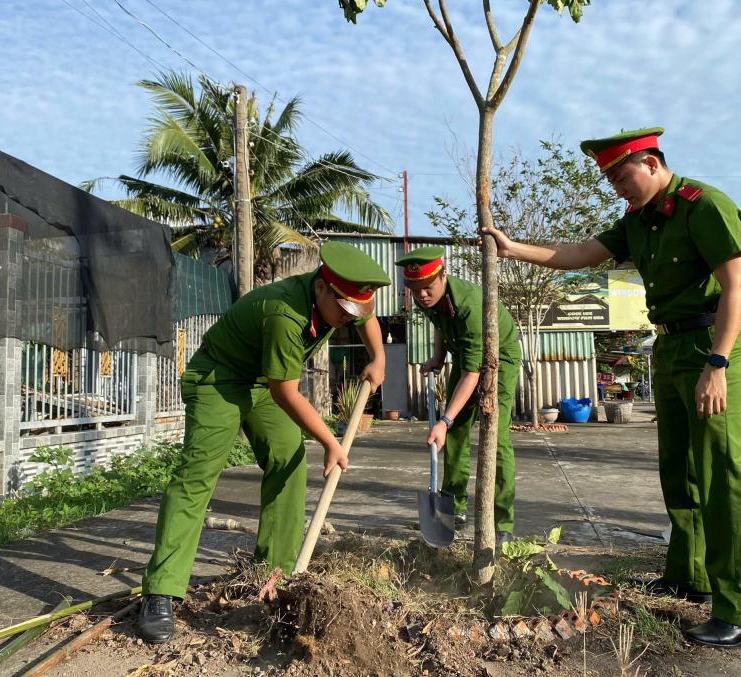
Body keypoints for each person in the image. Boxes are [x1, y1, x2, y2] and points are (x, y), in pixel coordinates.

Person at [481, 128, 741, 648]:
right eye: (610, 179)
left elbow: (737, 286)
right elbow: (577, 253)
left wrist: (718, 363)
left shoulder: (704, 205)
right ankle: (689, 576)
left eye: (622, 174)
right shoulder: (638, 220)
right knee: (679, 470)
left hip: (709, 345)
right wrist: (512, 248)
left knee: (722, 476)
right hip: (670, 347)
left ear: (652, 163)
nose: (617, 186)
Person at [138, 242, 391, 643]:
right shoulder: (285, 314)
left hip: (260, 380)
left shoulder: (337, 299)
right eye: (344, 310)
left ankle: (275, 572)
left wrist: (378, 356)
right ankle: (160, 591)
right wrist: (331, 441)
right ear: (321, 287)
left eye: (353, 311)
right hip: (220, 379)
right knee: (197, 475)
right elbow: (286, 392)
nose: (348, 318)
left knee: (288, 457)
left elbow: (366, 317)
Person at [395, 246, 521, 553]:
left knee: (495, 436)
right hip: (467, 357)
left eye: (427, 287)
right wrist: (439, 357)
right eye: (415, 289)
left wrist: (444, 420)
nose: (422, 295)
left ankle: (503, 525)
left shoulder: (469, 306)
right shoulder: (426, 298)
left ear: (444, 276)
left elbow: (472, 375)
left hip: (500, 358)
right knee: (454, 433)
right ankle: (454, 507)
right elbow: (439, 323)